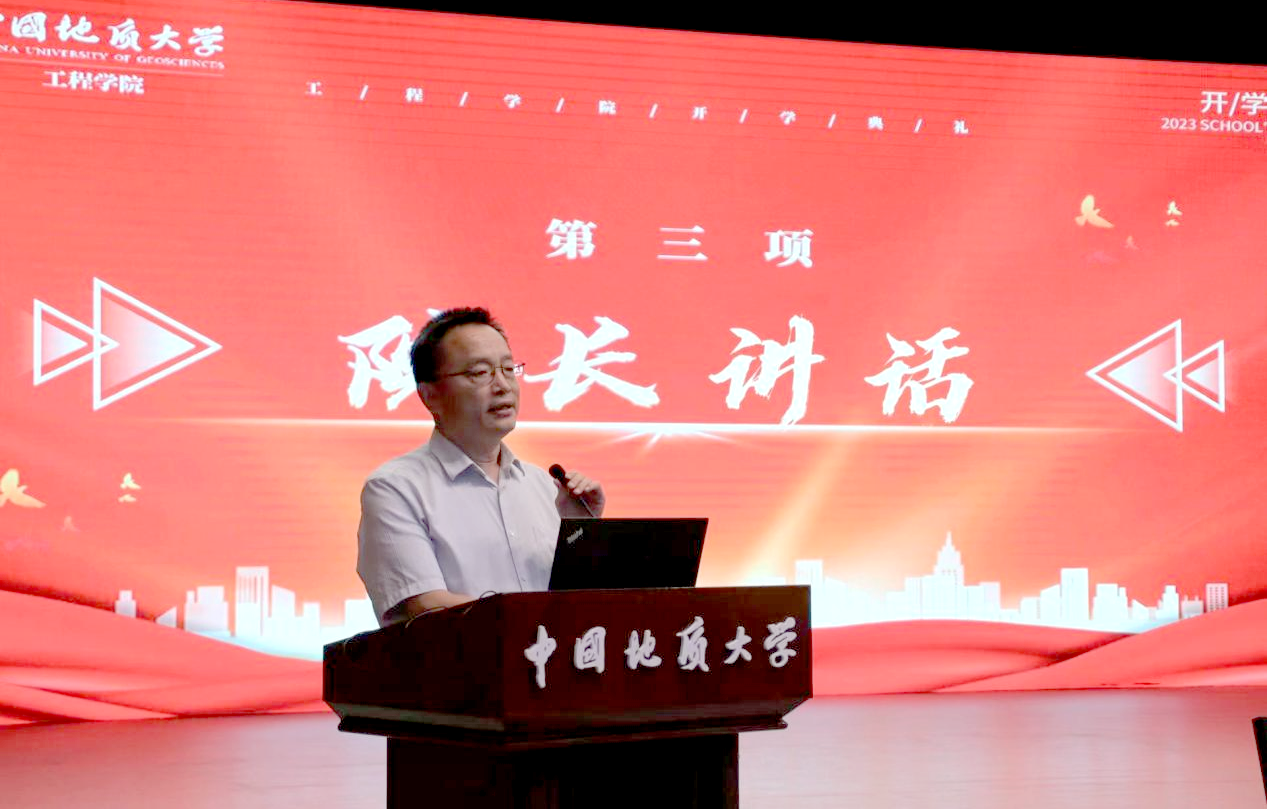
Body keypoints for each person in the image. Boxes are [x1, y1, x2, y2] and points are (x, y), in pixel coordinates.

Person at [356, 307, 604, 625]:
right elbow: (425, 606)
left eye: (508, 368)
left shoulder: (544, 486)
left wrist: (582, 531)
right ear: (430, 395)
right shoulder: (395, 488)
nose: (502, 385)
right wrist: (536, 620)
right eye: (479, 373)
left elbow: (583, 606)